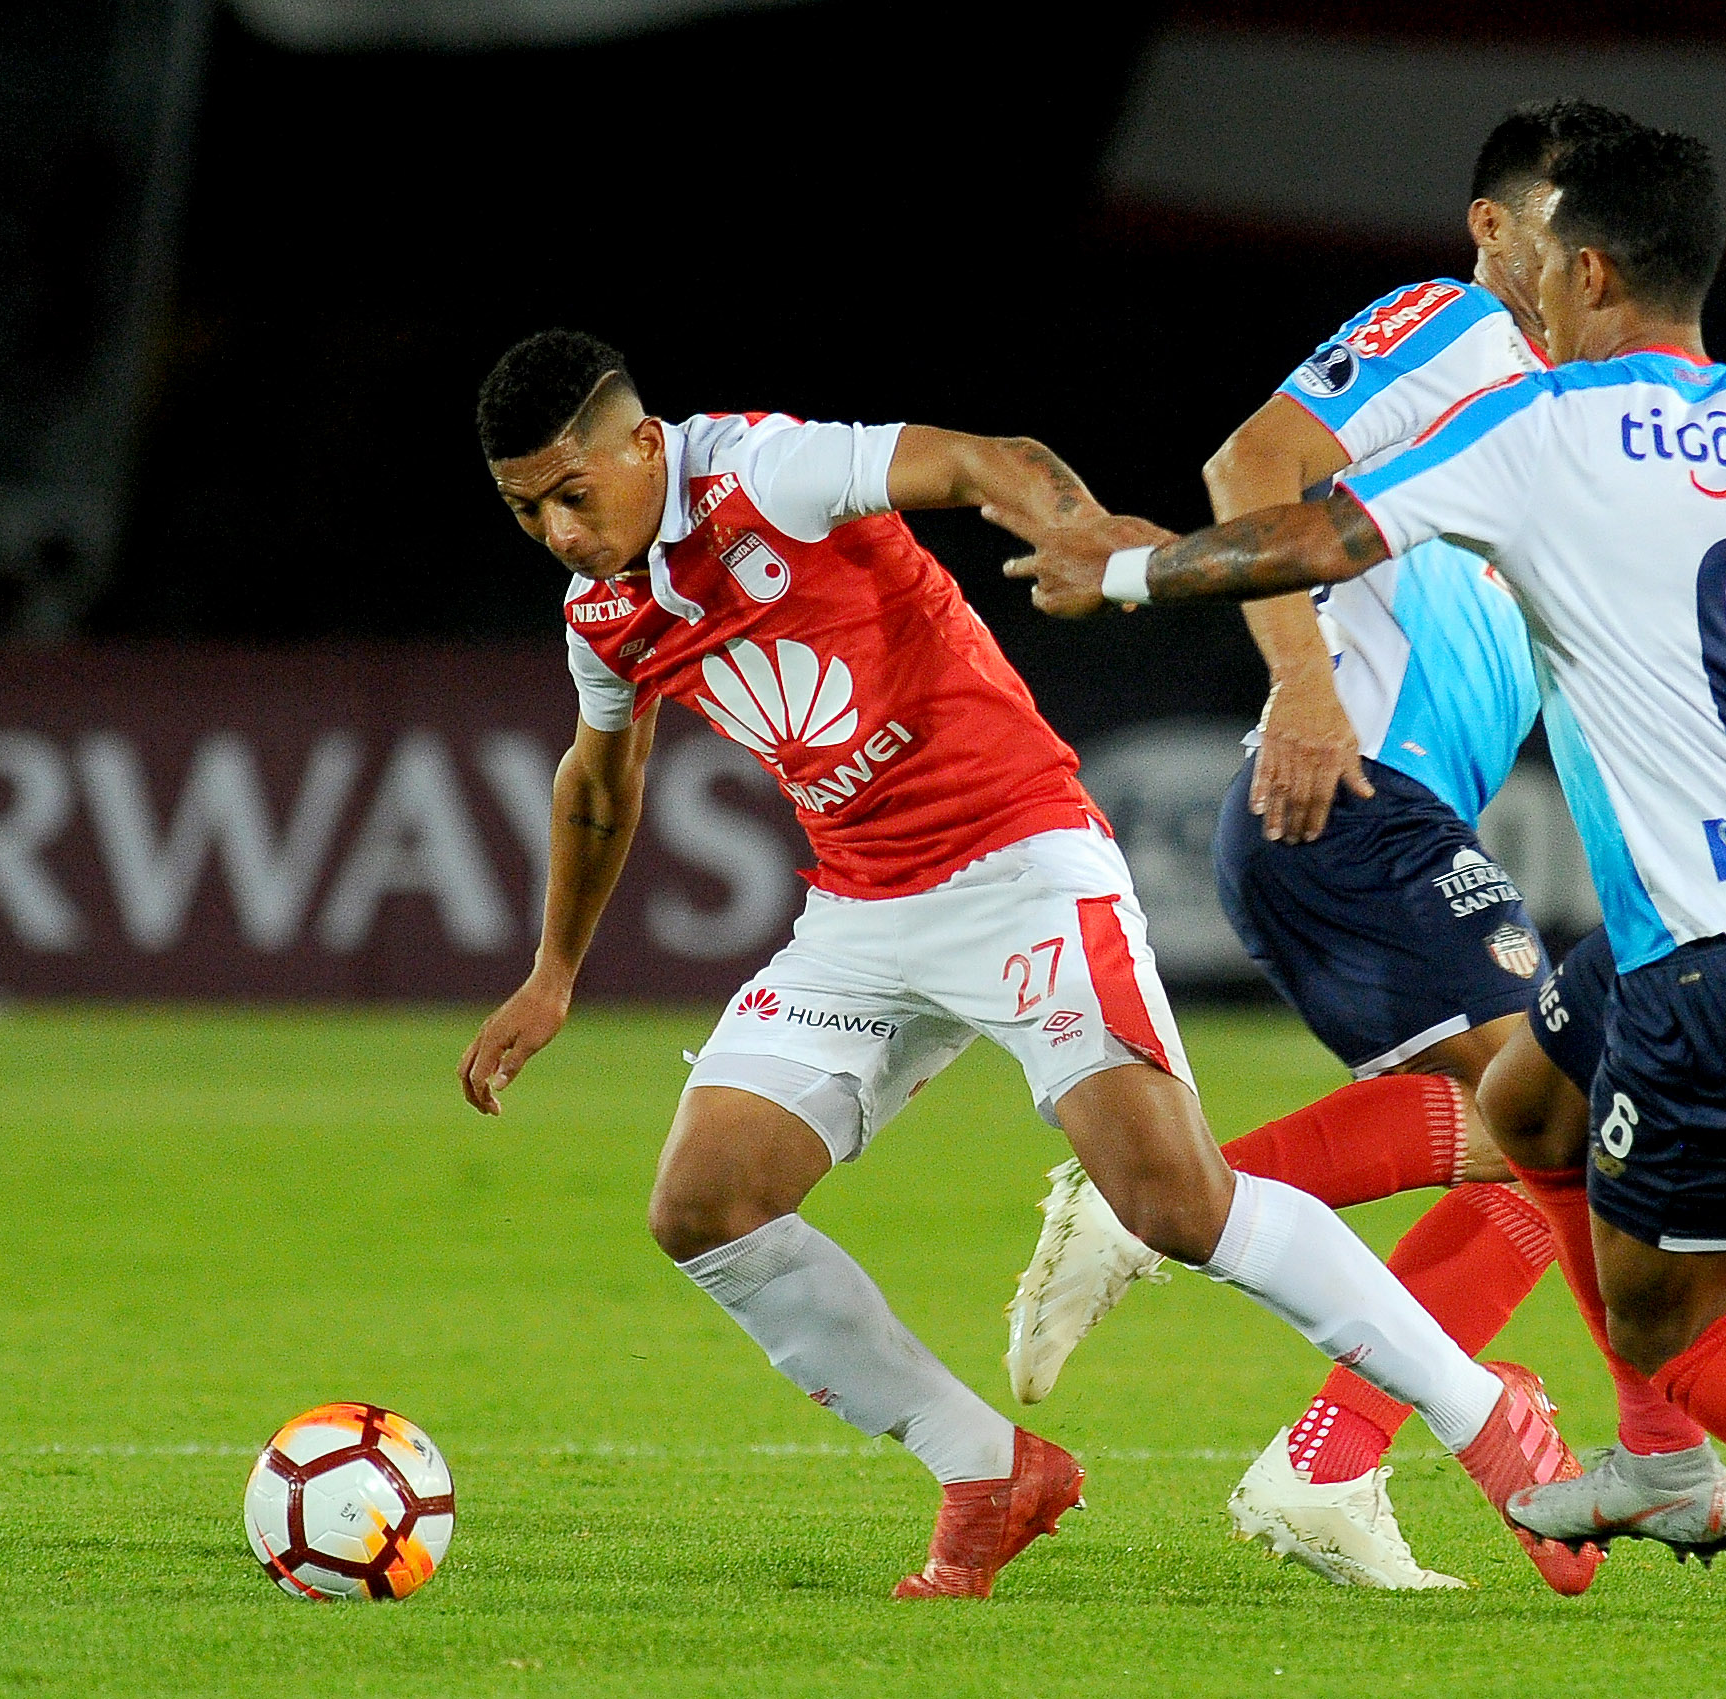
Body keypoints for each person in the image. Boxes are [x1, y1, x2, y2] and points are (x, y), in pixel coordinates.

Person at [996, 125, 1726, 1629]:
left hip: (1715, 946)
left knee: (1665, 1309)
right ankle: (1502, 1427)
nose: (1511, 266)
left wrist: (1125, 574)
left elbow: (1324, 532)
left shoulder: (1549, 425)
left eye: (1535, 242)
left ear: (1582, 260)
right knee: (1526, 1105)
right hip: (1679, 879)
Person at [454, 329, 1586, 1601]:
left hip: (1020, 867)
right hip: (861, 912)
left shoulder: (762, 471)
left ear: (642, 444)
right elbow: (598, 782)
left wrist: (1081, 534)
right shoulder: (602, 614)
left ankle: (1487, 1418)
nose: (555, 527)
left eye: (570, 492)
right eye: (524, 509)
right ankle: (987, 1469)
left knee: (1174, 1203)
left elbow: (987, 461)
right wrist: (553, 973)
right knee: (702, 1204)